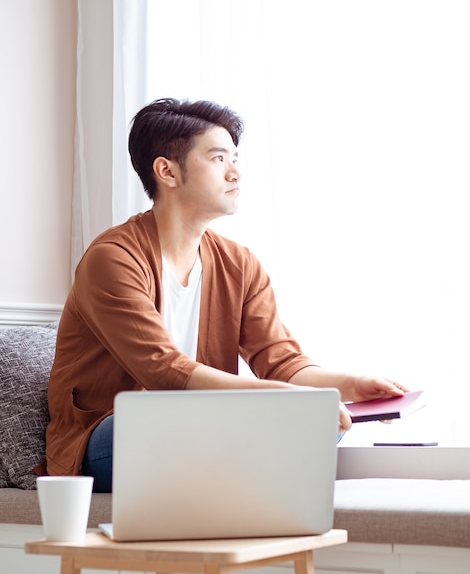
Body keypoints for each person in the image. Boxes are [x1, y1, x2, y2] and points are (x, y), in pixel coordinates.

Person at [43, 98, 407, 492]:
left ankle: (242, 481)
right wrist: (286, 402)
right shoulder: (113, 259)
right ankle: (251, 473)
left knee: (317, 422)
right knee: (179, 420)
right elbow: (164, 372)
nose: (235, 173)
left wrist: (351, 385)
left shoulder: (239, 264)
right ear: (166, 171)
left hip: (201, 426)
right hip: (111, 434)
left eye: (236, 159)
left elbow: (281, 362)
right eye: (219, 159)